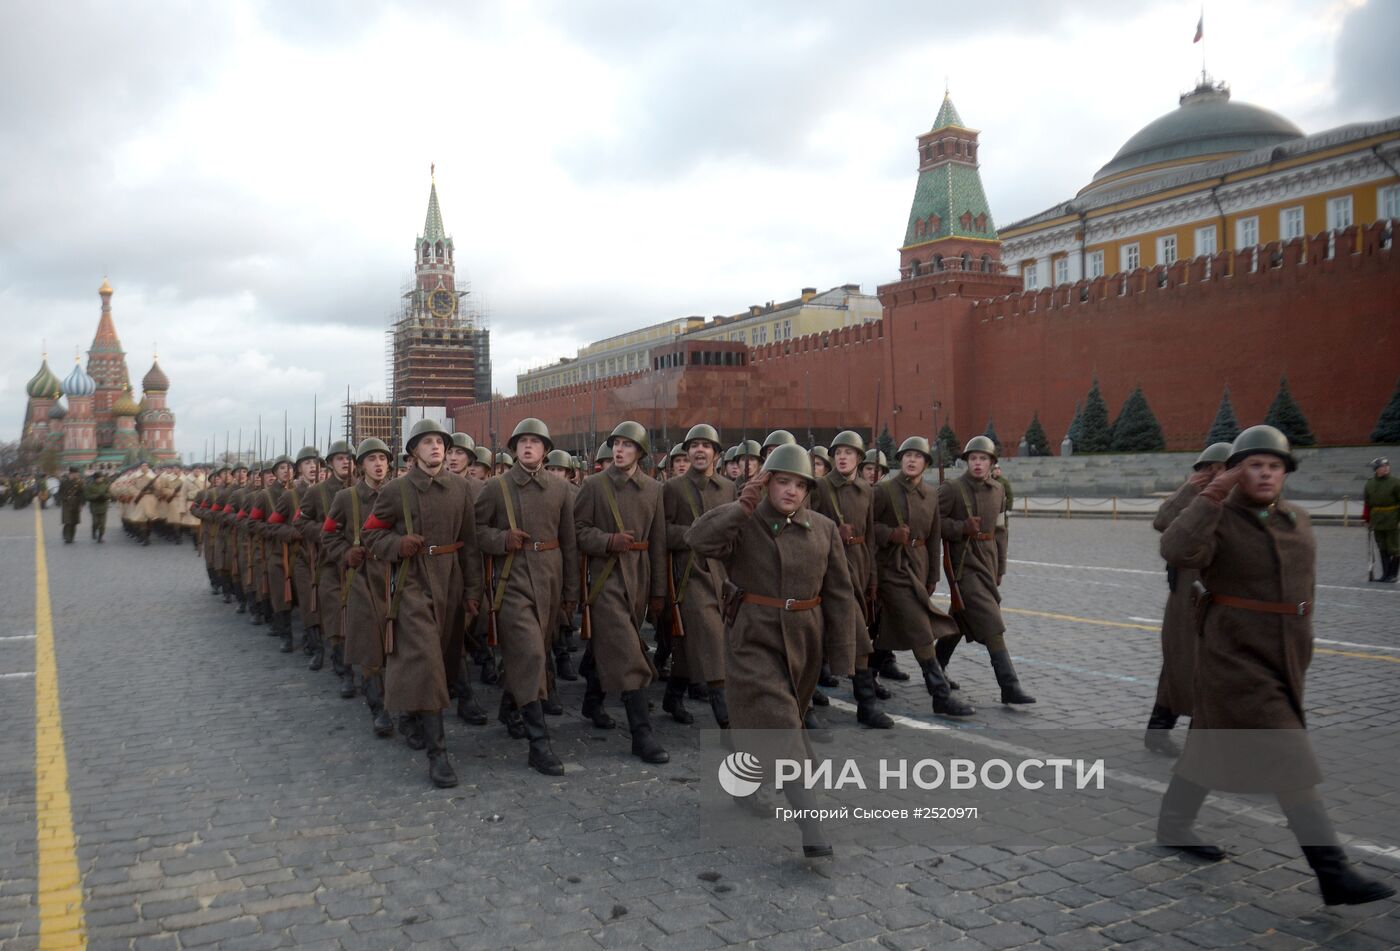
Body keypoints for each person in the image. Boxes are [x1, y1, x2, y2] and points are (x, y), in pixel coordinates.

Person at [1158, 425, 1394, 906]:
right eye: (1254, 465)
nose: (1265, 474)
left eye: (1274, 466)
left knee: (1209, 737)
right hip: (1234, 654)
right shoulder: (1218, 518)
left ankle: (1174, 823)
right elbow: (1176, 548)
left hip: (1287, 654)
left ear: (1285, 472)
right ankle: (1333, 872)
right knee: (1289, 755)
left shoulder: (1296, 519)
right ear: (1235, 473)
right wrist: (1211, 495)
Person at [686, 445, 860, 858]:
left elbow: (839, 593)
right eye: (783, 481)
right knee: (782, 725)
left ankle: (742, 779)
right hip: (752, 637)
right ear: (766, 483)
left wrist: (845, 654)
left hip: (803, 643)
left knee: (769, 724)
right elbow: (697, 540)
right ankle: (811, 827)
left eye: (800, 485)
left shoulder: (823, 529)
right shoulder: (745, 522)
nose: (792, 491)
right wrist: (741, 507)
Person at [362, 419, 483, 788]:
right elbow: (369, 536)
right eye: (427, 442)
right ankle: (438, 755)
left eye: (440, 443)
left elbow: (471, 544)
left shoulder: (461, 488)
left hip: (451, 580)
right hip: (412, 583)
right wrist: (396, 546)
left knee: (444, 660)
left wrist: (474, 591)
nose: (435, 448)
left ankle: (413, 715)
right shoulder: (397, 490)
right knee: (427, 661)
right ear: (414, 451)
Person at [475, 417, 579, 776]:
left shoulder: (560, 489)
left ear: (546, 450)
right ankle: (540, 743)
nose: (529, 446)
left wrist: (570, 594)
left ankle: (509, 707)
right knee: (531, 652)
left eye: (536, 441)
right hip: (512, 577)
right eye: (522, 442)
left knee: (533, 653)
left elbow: (570, 543)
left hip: (549, 578)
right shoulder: (495, 487)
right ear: (515, 448)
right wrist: (500, 540)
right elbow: (476, 531)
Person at [575, 420, 670, 764]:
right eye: (616, 443)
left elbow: (658, 543)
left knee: (616, 643)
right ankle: (641, 734)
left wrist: (658, 591)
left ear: (640, 452)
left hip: (639, 579)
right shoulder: (593, 485)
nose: (619, 449)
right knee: (630, 653)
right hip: (605, 580)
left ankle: (592, 699)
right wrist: (606, 541)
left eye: (628, 445)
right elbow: (578, 532)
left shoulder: (654, 489)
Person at [872, 436, 974, 717]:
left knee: (889, 626)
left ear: (926, 463)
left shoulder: (930, 494)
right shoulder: (884, 491)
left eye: (918, 456)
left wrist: (932, 576)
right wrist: (890, 534)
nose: (911, 460)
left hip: (917, 567)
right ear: (900, 460)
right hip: (891, 568)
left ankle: (866, 677)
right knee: (920, 627)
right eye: (907, 455)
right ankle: (939, 693)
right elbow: (869, 530)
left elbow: (933, 538)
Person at [1144, 442, 1231, 755]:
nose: (1215, 474)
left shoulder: (1237, 501)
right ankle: (1178, 736)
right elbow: (1162, 521)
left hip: (1223, 591)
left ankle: (1161, 730)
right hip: (1188, 592)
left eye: (1222, 468)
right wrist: (1187, 492)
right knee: (1183, 661)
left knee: (1206, 665)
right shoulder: (1192, 498)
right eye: (1208, 469)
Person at [937, 436, 1035, 705]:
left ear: (992, 463)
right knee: (992, 623)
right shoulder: (953, 489)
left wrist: (1000, 566)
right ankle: (1009, 685)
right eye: (973, 459)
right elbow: (933, 523)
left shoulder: (998, 491)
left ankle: (935, 667)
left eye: (983, 459)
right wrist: (960, 529)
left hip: (988, 562)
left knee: (958, 619)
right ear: (966, 462)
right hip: (964, 565)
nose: (977, 464)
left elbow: (1001, 531)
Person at [809, 430, 893, 729]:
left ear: (859, 458)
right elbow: (804, 525)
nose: (843, 457)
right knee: (812, 637)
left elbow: (870, 537)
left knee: (858, 634)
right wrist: (832, 530)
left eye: (849, 452)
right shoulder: (817, 486)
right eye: (838, 452)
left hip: (855, 569)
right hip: (823, 569)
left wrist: (871, 577)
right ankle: (804, 704)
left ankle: (866, 705)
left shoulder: (866, 490)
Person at [660, 423, 736, 728]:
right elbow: (661, 532)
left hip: (721, 576)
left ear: (716, 454)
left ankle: (672, 695)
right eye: (693, 446)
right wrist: (694, 535)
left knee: (689, 644)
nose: (699, 450)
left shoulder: (729, 488)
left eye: (706, 446)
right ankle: (727, 717)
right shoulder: (673, 488)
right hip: (688, 576)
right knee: (713, 640)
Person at [322, 438, 395, 738]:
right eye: (371, 459)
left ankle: (405, 707)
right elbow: (328, 535)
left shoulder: (400, 493)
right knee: (369, 644)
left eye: (382, 458)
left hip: (395, 575)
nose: (378, 464)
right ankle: (378, 708)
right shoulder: (346, 498)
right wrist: (344, 554)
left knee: (400, 646)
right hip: (362, 577)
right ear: (360, 465)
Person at [298, 441, 355, 686]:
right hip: (329, 565)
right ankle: (343, 669)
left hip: (358, 565)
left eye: (349, 458)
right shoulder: (316, 492)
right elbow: (301, 523)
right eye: (339, 458)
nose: (345, 462)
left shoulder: (363, 489)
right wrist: (323, 530)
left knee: (358, 618)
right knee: (334, 617)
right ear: (330, 464)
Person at [1364, 457, 1399, 583]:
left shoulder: (1395, 483)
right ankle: (1385, 574)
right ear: (1376, 469)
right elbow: (1367, 503)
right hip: (1377, 520)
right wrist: (1368, 519)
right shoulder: (1370, 483)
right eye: (1382, 466)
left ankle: (1393, 575)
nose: (1386, 468)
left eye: (1387, 466)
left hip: (1392, 519)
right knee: (1382, 548)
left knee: (1394, 548)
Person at [57, 467, 84, 544]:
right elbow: (60, 493)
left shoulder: (79, 482)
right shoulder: (64, 481)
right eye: (76, 473)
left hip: (76, 503)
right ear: (71, 473)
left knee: (74, 522)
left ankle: (72, 537)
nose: (77, 475)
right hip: (67, 503)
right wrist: (63, 499)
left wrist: (81, 504)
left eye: (78, 473)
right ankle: (67, 537)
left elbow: (82, 494)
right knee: (68, 521)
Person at [85, 471, 112, 543]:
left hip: (103, 507)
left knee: (102, 524)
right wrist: (96, 496)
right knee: (95, 523)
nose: (101, 479)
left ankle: (100, 537)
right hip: (94, 507)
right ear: (95, 479)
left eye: (102, 477)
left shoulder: (105, 485)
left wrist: (105, 496)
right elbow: (87, 496)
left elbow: (110, 494)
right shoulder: (90, 486)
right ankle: (94, 531)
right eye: (100, 478)